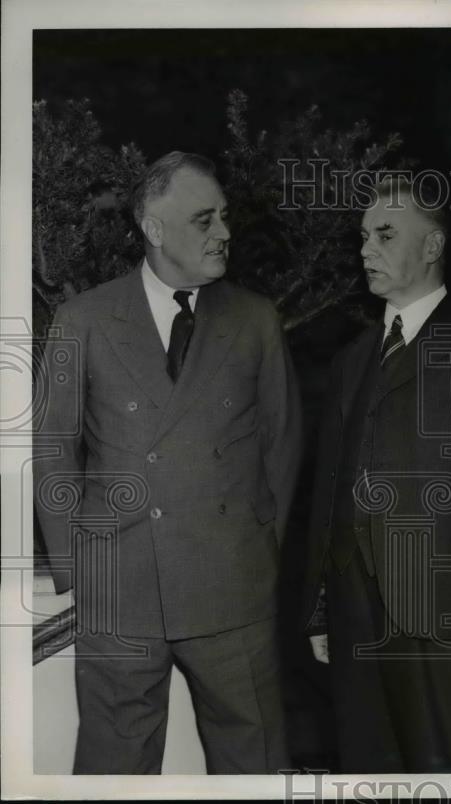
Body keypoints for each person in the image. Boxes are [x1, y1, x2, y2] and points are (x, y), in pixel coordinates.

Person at [33, 152, 303, 773]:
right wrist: (80, 575)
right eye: (203, 220)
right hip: (120, 592)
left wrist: (260, 552)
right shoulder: (85, 320)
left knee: (254, 765)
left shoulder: (255, 319)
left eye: (225, 218)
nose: (224, 233)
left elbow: (282, 447)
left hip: (232, 591)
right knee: (113, 771)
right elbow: (53, 454)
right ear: (154, 230)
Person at [301, 178, 451, 772]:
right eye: (364, 236)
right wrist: (320, 606)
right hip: (354, 605)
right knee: (368, 768)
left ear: (432, 246)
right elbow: (327, 491)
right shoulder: (351, 360)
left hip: (443, 607)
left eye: (386, 234)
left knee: (447, 767)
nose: (366, 248)